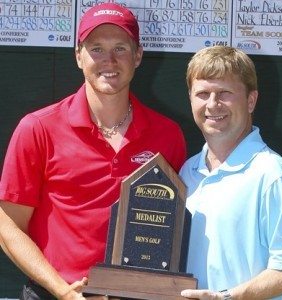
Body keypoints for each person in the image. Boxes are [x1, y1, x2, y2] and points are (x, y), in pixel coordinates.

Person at [0, 3, 186, 300]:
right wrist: (62, 291)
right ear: (78, 56)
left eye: (121, 49)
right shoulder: (37, 128)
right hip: (55, 293)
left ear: (138, 56)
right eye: (96, 48)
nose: (109, 60)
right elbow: (7, 224)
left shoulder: (168, 135)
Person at [179, 46, 282, 299]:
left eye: (224, 93)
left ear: (251, 100)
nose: (213, 104)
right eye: (202, 94)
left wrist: (227, 297)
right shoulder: (186, 173)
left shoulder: (275, 177)